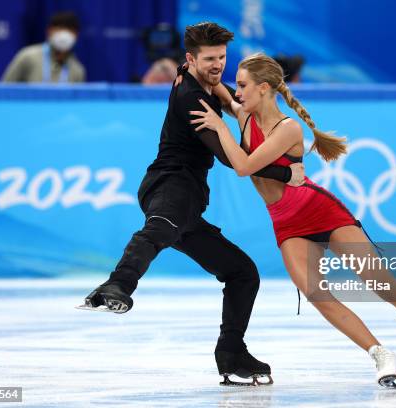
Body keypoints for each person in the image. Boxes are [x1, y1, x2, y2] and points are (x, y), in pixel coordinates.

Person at [188, 52, 396, 387]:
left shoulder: (289, 129)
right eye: (238, 85)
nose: (238, 91)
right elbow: (218, 90)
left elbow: (244, 167)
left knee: (380, 282)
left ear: (264, 88)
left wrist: (218, 127)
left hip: (319, 210)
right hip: (286, 223)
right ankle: (382, 356)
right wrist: (190, 69)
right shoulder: (242, 113)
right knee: (318, 295)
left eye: (244, 85)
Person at [78, 23, 305, 386]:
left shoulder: (199, 79)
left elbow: (229, 99)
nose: (218, 65)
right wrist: (285, 174)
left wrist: (223, 95)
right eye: (210, 59)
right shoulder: (191, 98)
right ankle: (117, 285)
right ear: (190, 58)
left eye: (222, 58)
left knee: (242, 273)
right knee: (161, 228)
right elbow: (235, 160)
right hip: (172, 184)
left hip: (187, 198)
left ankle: (231, 352)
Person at [2, 11, 86, 83]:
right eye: (59, 29)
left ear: (76, 35)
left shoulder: (77, 70)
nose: (64, 35)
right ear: (49, 31)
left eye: (69, 30)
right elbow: (4, 90)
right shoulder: (28, 56)